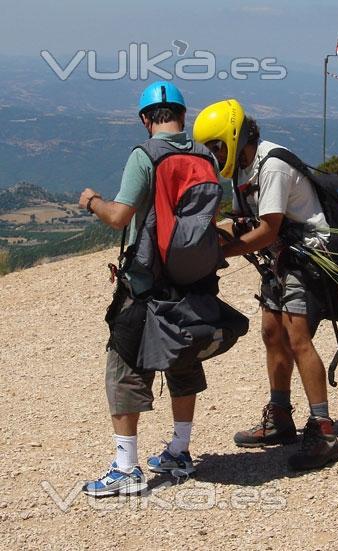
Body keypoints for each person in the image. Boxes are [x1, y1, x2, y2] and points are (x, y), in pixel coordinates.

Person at [78, 82, 219, 496]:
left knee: (123, 367)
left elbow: (120, 217)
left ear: (145, 120)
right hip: (194, 282)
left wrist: (92, 201)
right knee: (184, 360)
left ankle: (126, 467)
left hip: (146, 282)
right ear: (182, 113)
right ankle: (179, 450)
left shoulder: (145, 156)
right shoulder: (205, 156)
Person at [193, 99, 338, 470]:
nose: (214, 154)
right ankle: (280, 416)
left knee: (297, 338)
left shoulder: (271, 166)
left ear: (233, 136)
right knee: (272, 333)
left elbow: (267, 230)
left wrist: (217, 253)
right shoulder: (243, 167)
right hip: (281, 256)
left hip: (307, 255)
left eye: (217, 146)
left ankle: (323, 429)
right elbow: (247, 222)